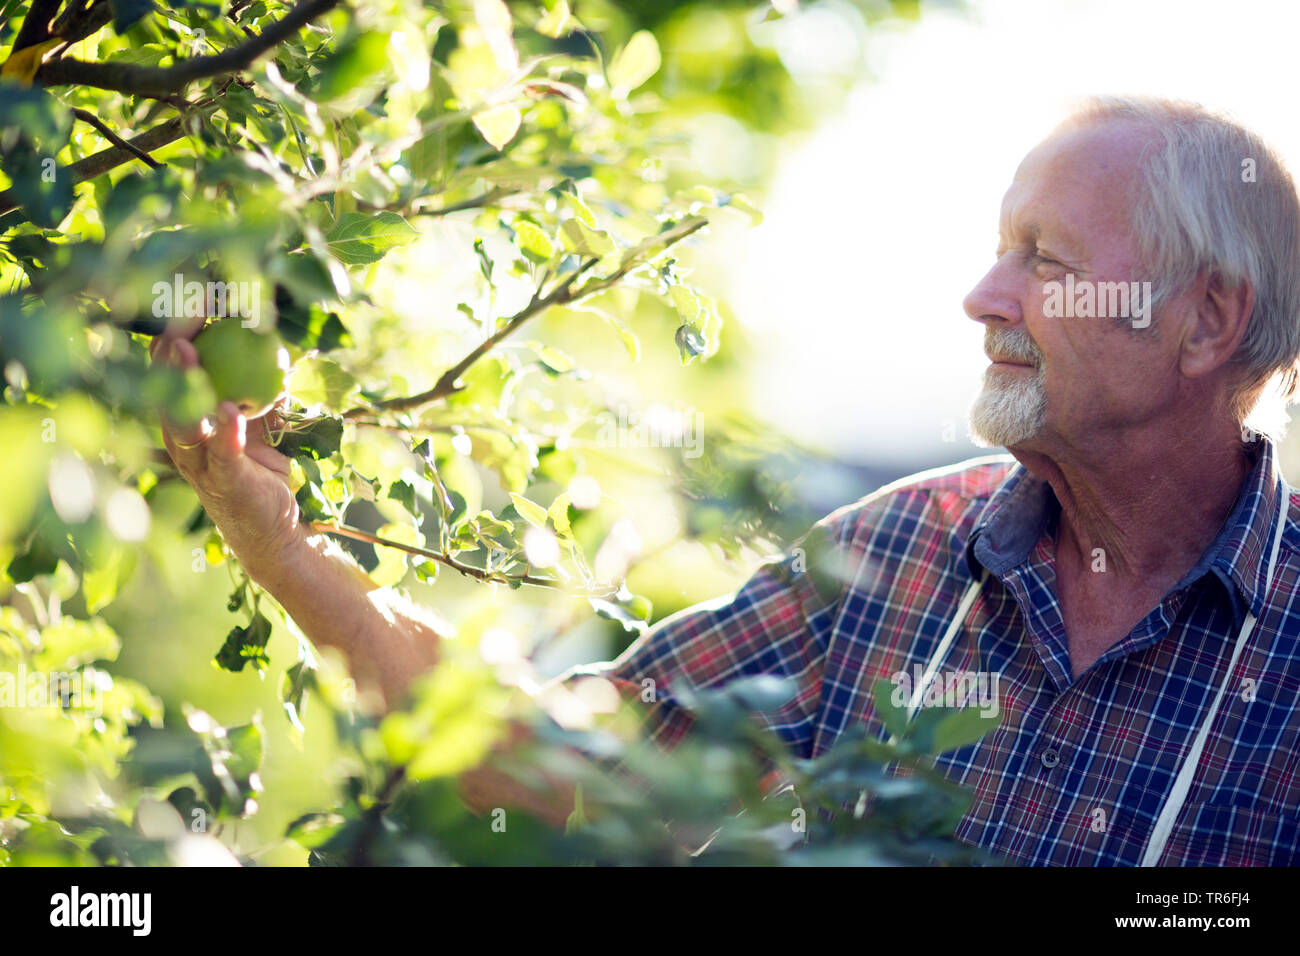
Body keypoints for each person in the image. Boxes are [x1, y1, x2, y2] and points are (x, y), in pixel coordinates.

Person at [156, 95, 1300, 865]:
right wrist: (281, 549)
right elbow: (556, 761)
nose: (982, 295)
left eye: (1043, 260)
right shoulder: (888, 555)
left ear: (1205, 321)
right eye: (1002, 247)